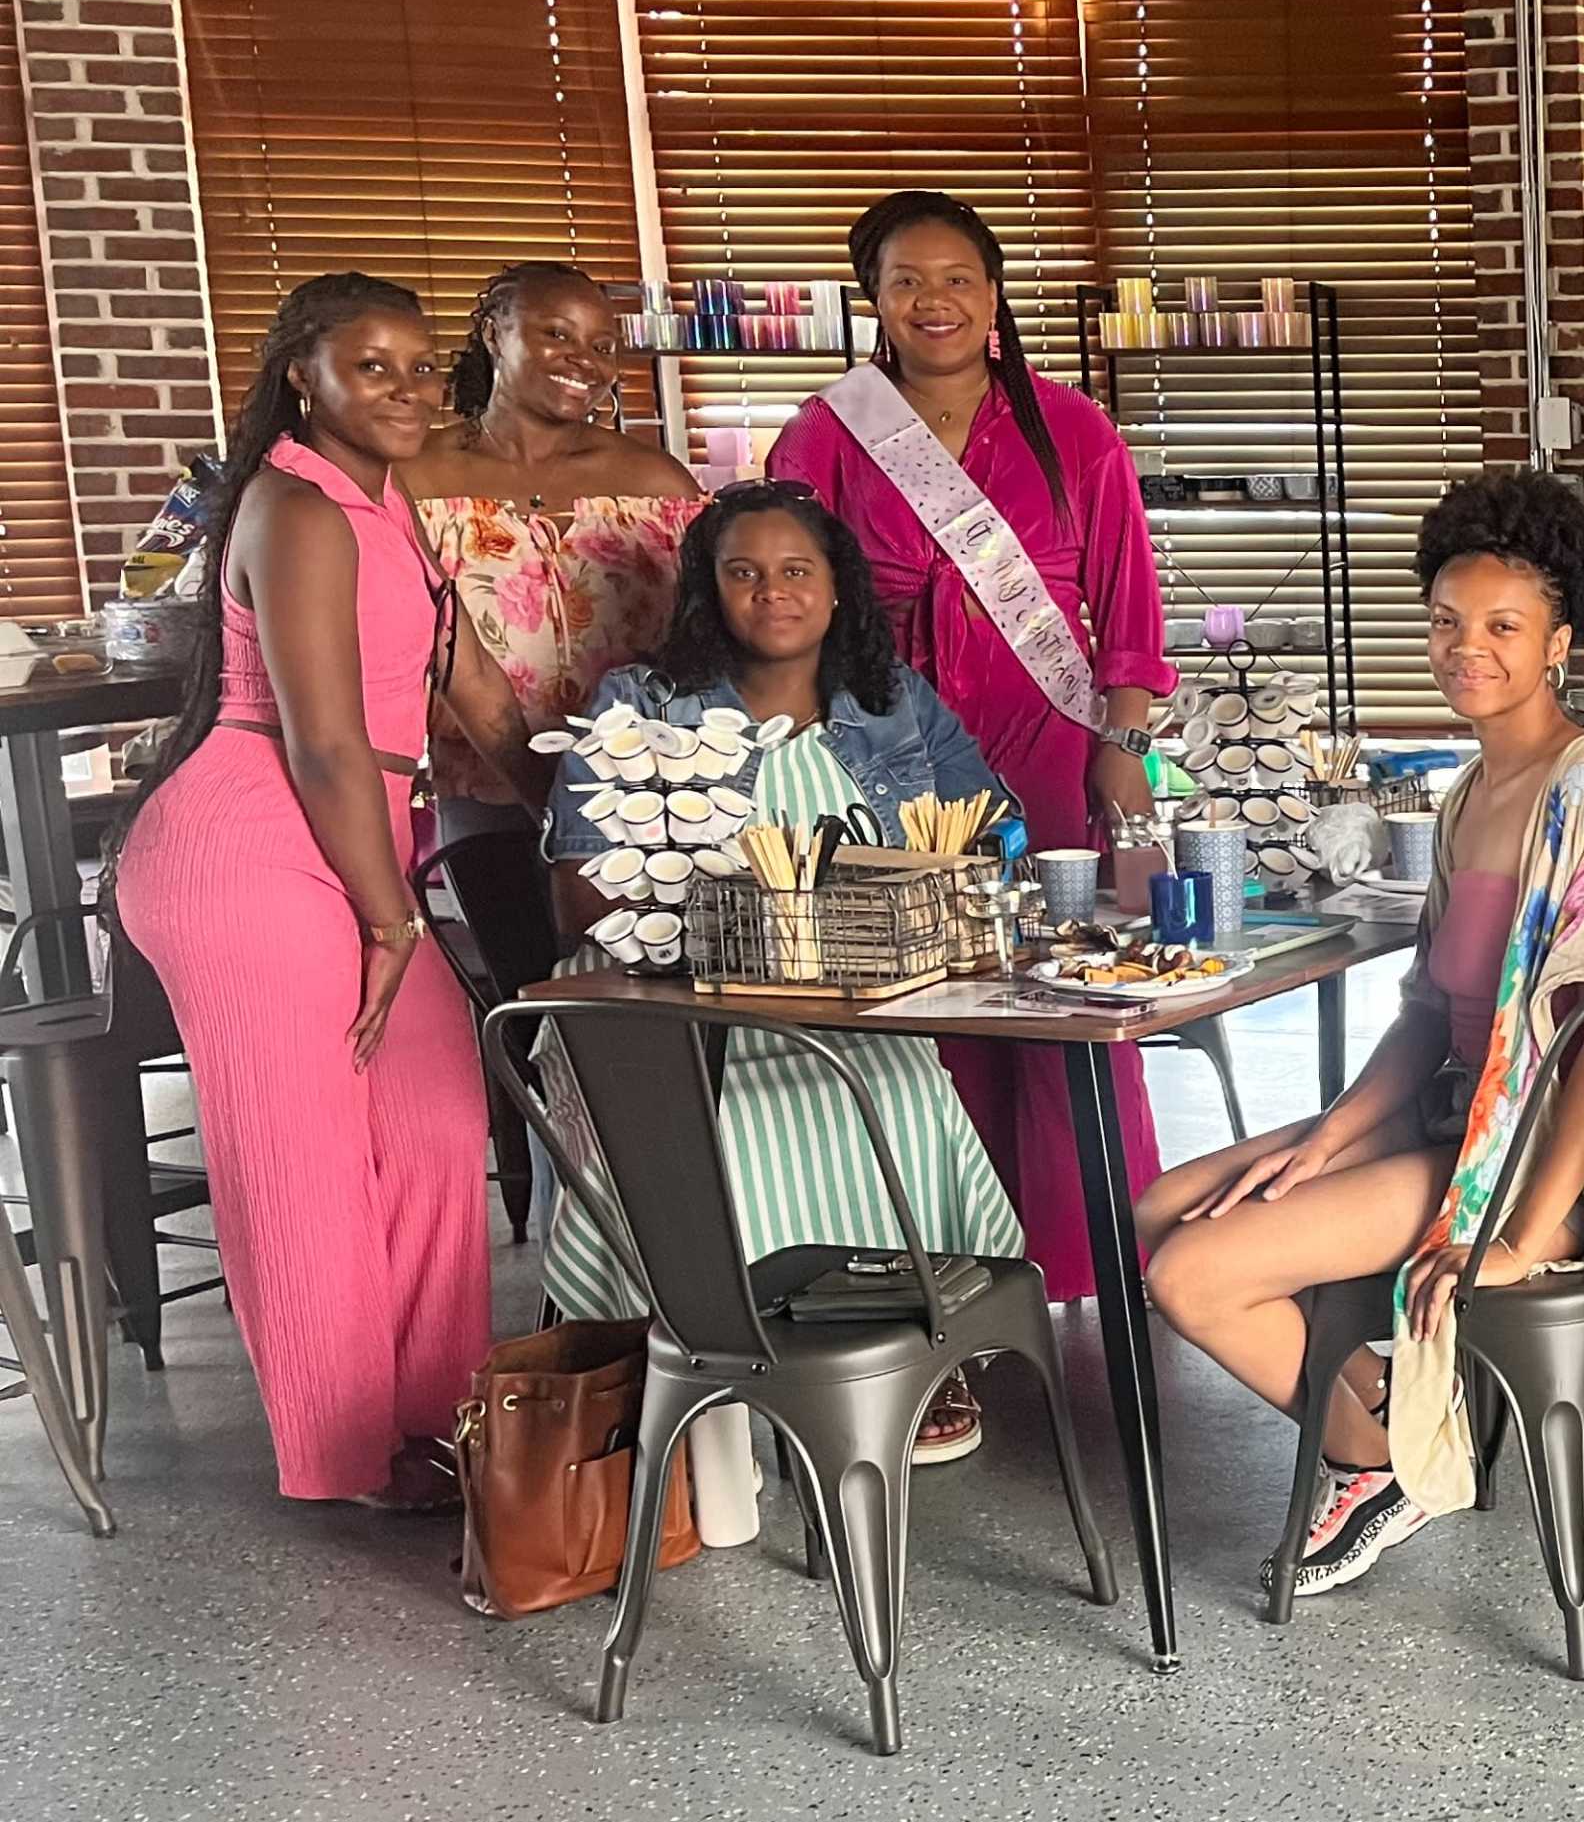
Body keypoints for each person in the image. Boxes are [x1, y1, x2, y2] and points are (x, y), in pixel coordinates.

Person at [1139, 472, 1584, 1599]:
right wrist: (1329, 1139)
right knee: (1152, 1211)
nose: (1464, 647)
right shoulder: (1474, 786)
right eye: (1445, 622)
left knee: (1193, 1275)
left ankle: (1374, 1459)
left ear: (1560, 642)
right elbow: (1430, 1009)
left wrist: (1526, 1234)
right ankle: (1377, 1409)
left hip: (1535, 1159)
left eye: (1501, 627)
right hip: (1453, 1114)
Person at [116, 274, 546, 1506]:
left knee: (428, 1121)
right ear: (304, 374)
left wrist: (586, 825)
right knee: (299, 1155)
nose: (409, 389)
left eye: (422, 367)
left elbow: (469, 689)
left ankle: (433, 1418)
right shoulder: (295, 508)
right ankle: (348, 1456)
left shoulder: (386, 504)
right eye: (375, 367)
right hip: (254, 847)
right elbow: (323, 741)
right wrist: (388, 915)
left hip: (354, 843)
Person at [537, 484, 1022, 1462]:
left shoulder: (893, 705)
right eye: (743, 573)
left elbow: (994, 833)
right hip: (675, 1007)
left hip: (856, 1005)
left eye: (797, 570)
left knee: (903, 1093)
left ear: (837, 588)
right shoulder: (643, 706)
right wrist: (735, 929)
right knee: (733, 1124)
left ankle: (902, 1347)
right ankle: (733, 1351)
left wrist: (921, 897)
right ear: (708, 594)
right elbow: (579, 887)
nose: (773, 593)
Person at [766, 191, 1174, 1301]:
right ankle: (935, 1265)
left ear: (993, 295)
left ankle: (1081, 1258)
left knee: (1061, 990)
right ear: (874, 302)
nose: (932, 302)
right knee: (921, 1006)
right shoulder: (824, 434)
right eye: (906, 282)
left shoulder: (1073, 429)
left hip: (1049, 749)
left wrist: (1122, 747)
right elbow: (787, 601)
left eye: (956, 279)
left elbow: (1127, 614)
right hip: (890, 754)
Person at [404, 261, 704, 1001]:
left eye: (602, 346)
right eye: (556, 334)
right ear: (492, 334)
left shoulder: (659, 483)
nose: (586, 361)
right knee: (531, 1001)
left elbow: (704, 644)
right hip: (488, 798)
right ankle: (529, 1124)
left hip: (646, 809)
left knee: (652, 1016)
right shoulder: (413, 476)